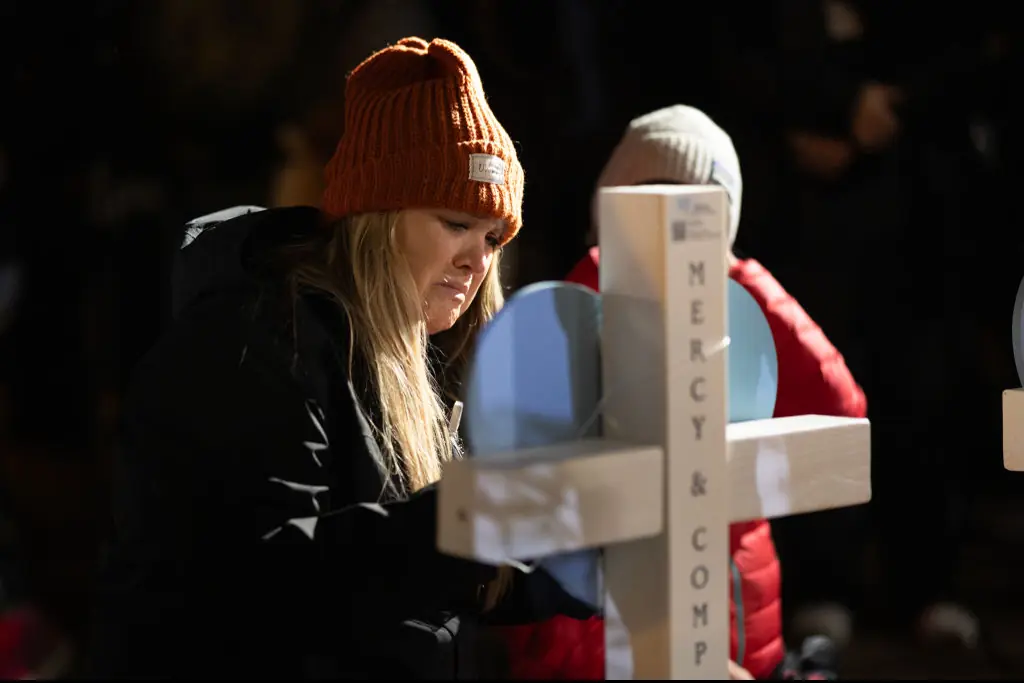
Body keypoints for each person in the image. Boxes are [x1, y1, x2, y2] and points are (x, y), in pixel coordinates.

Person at [84, 36, 593, 680]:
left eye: (493, 236)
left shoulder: (410, 345)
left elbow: (404, 578)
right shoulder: (259, 336)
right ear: (377, 217)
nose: (478, 260)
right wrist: (478, 519)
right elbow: (269, 577)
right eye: (454, 222)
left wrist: (554, 571)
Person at [552, 104, 865, 680]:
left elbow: (838, 415)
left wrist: (733, 274)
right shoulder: (569, 323)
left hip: (754, 650)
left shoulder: (731, 324)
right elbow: (550, 579)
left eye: (696, 214)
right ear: (608, 219)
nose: (673, 237)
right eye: (650, 206)